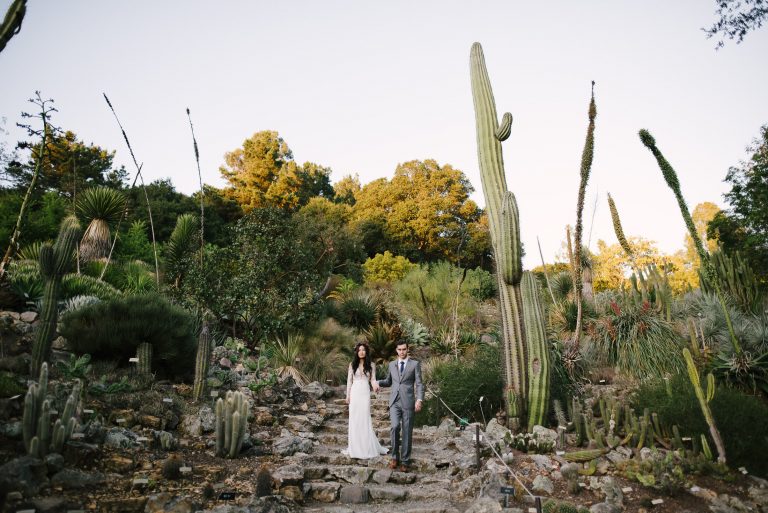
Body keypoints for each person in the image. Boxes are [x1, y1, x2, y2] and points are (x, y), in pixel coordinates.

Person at [377, 339, 424, 472]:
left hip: (408, 401)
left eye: (404, 349)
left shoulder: (415, 364)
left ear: (407, 349)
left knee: (407, 430)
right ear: (396, 350)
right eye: (399, 349)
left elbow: (420, 383)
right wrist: (377, 382)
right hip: (394, 402)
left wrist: (419, 400)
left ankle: (405, 461)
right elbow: (388, 381)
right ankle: (394, 457)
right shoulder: (392, 364)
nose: (402, 352)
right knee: (394, 426)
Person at [343, 342, 388, 459]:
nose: (361, 352)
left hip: (365, 392)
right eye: (359, 350)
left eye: (363, 350)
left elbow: (373, 379)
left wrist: (375, 386)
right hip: (355, 391)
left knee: (365, 418)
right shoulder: (352, 364)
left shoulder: (372, 365)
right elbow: (349, 381)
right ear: (357, 352)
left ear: (366, 352)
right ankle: (355, 448)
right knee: (354, 419)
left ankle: (366, 447)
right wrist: (348, 396)